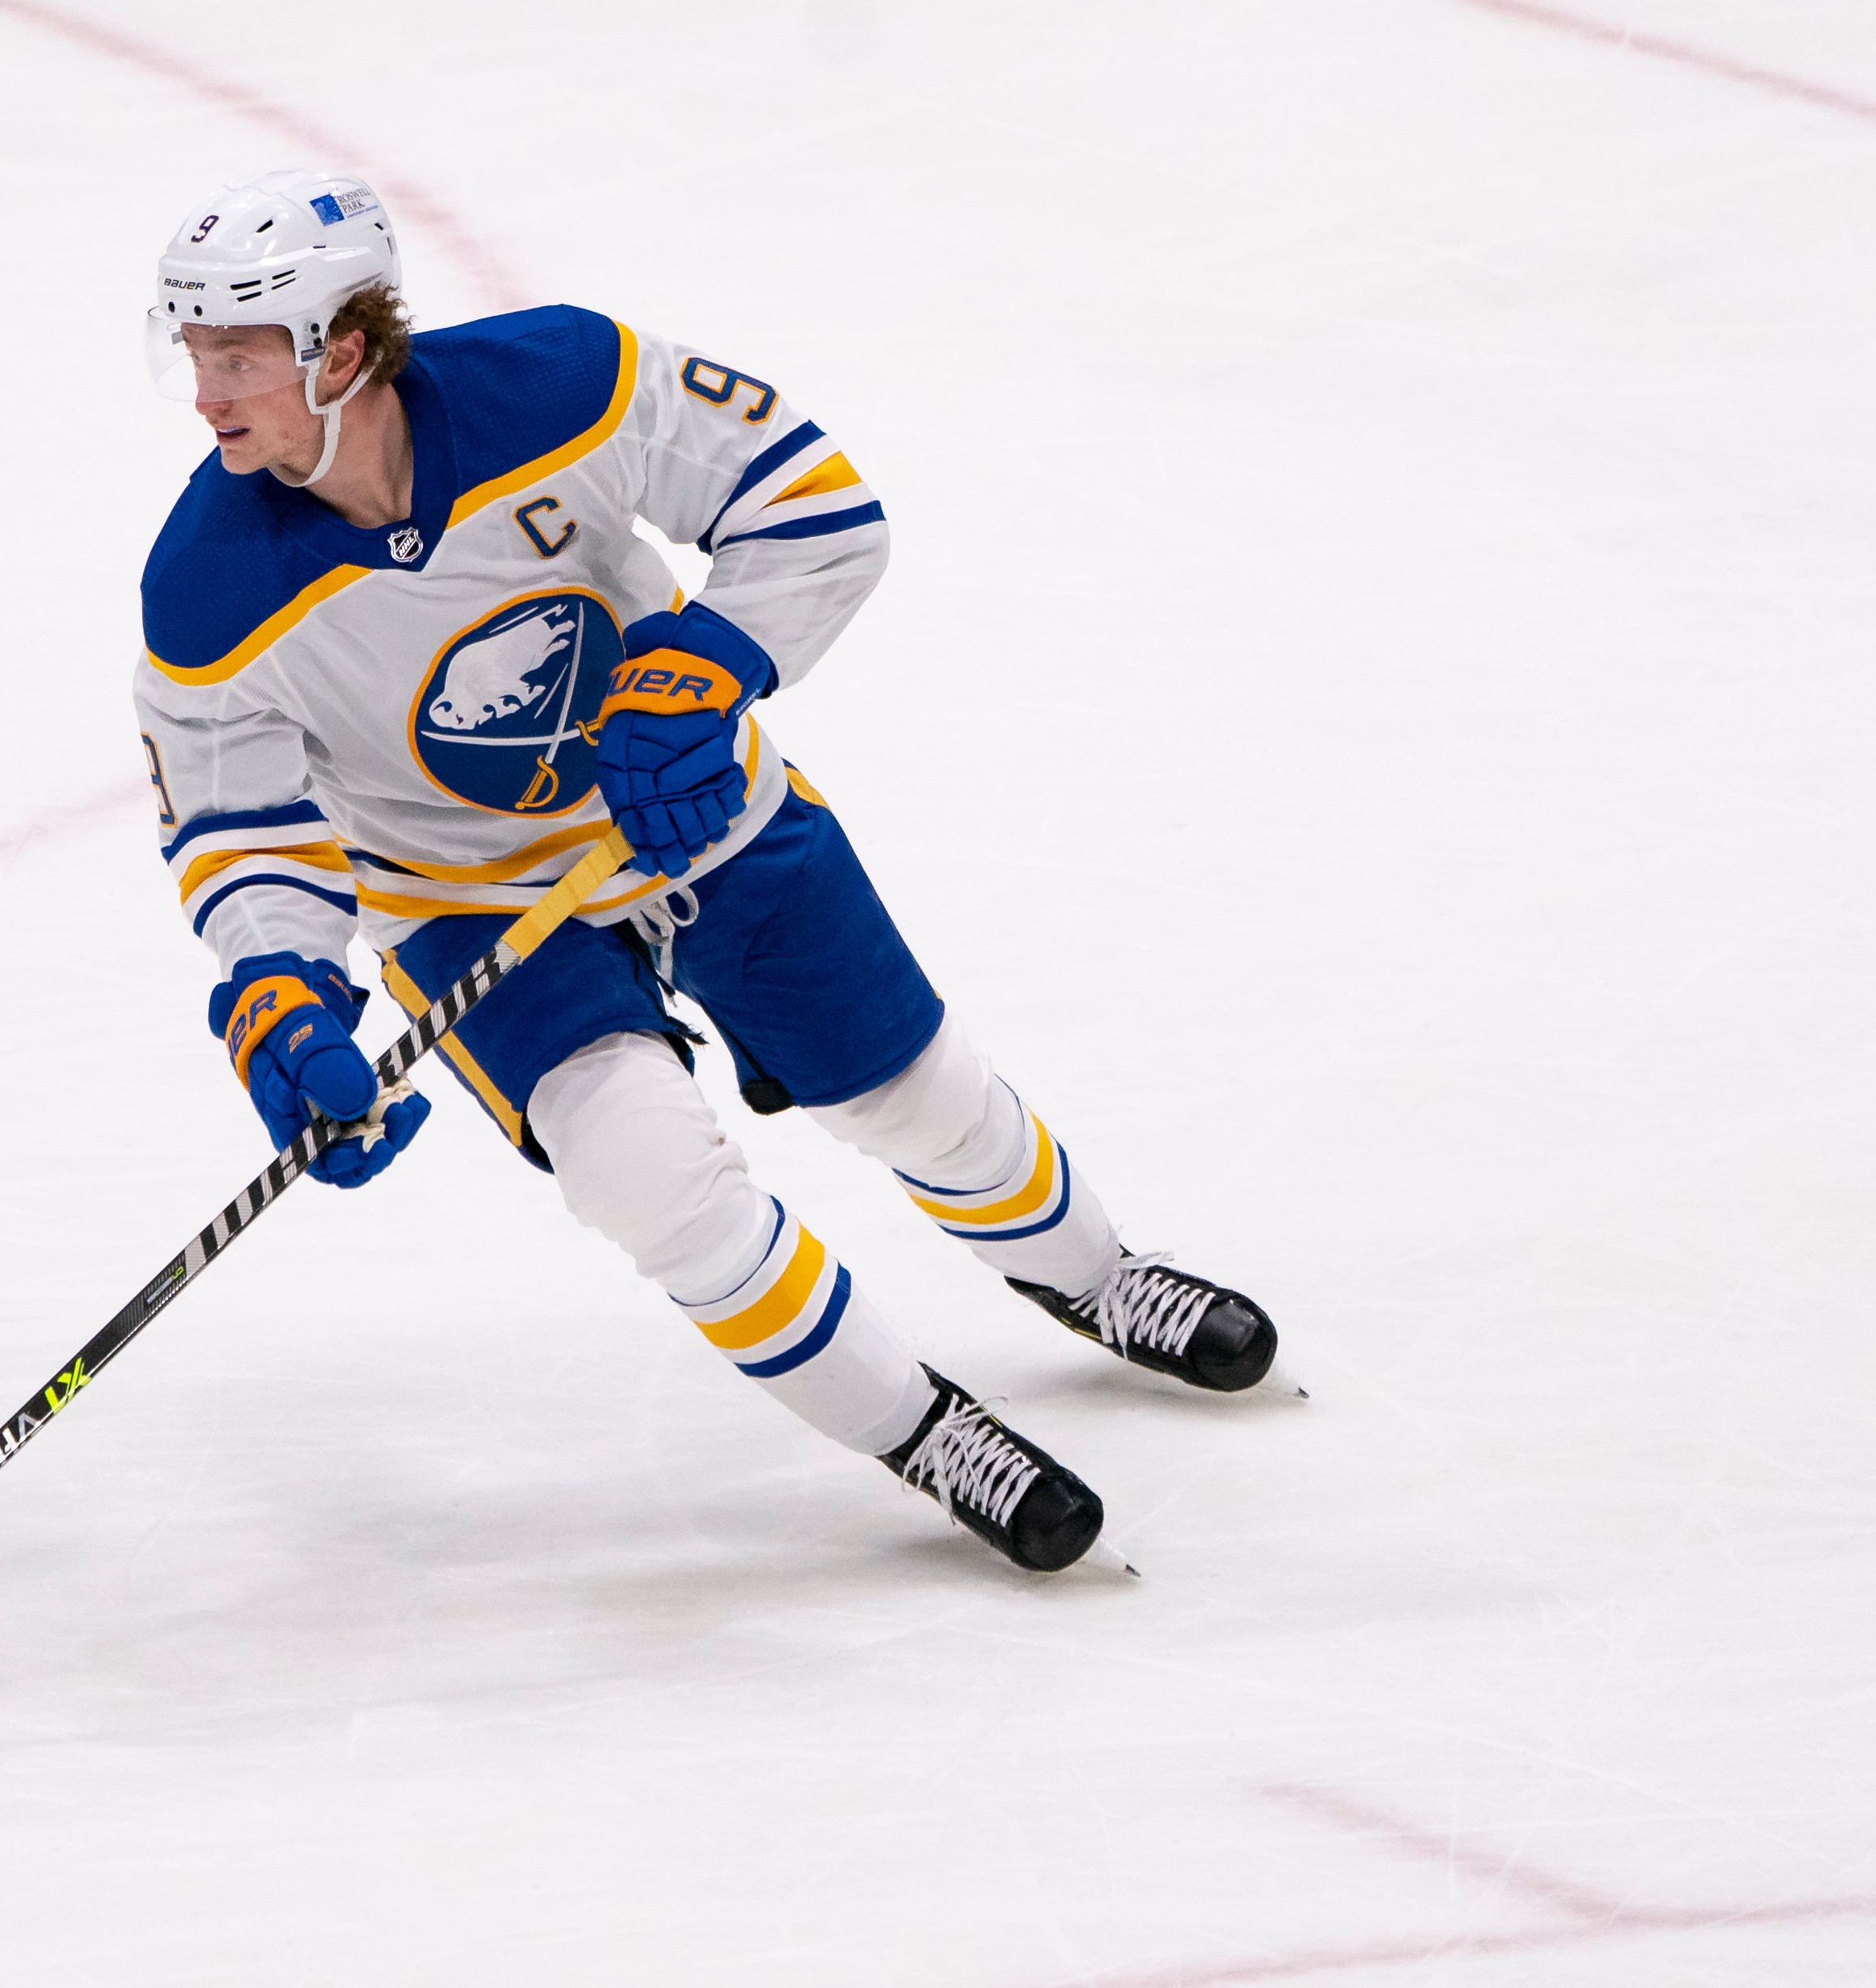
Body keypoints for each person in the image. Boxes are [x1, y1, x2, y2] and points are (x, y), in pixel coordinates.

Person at [133, 170, 1279, 1573]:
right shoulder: (203, 583)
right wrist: (280, 993)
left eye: (236, 357)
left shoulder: (559, 382)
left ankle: (1100, 1282)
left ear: (343, 351)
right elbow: (239, 824)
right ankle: (924, 1431)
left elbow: (814, 500)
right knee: (653, 1187)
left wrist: (708, 662)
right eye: (192, 354)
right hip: (469, 904)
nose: (204, 392)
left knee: (913, 1094)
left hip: (698, 817)